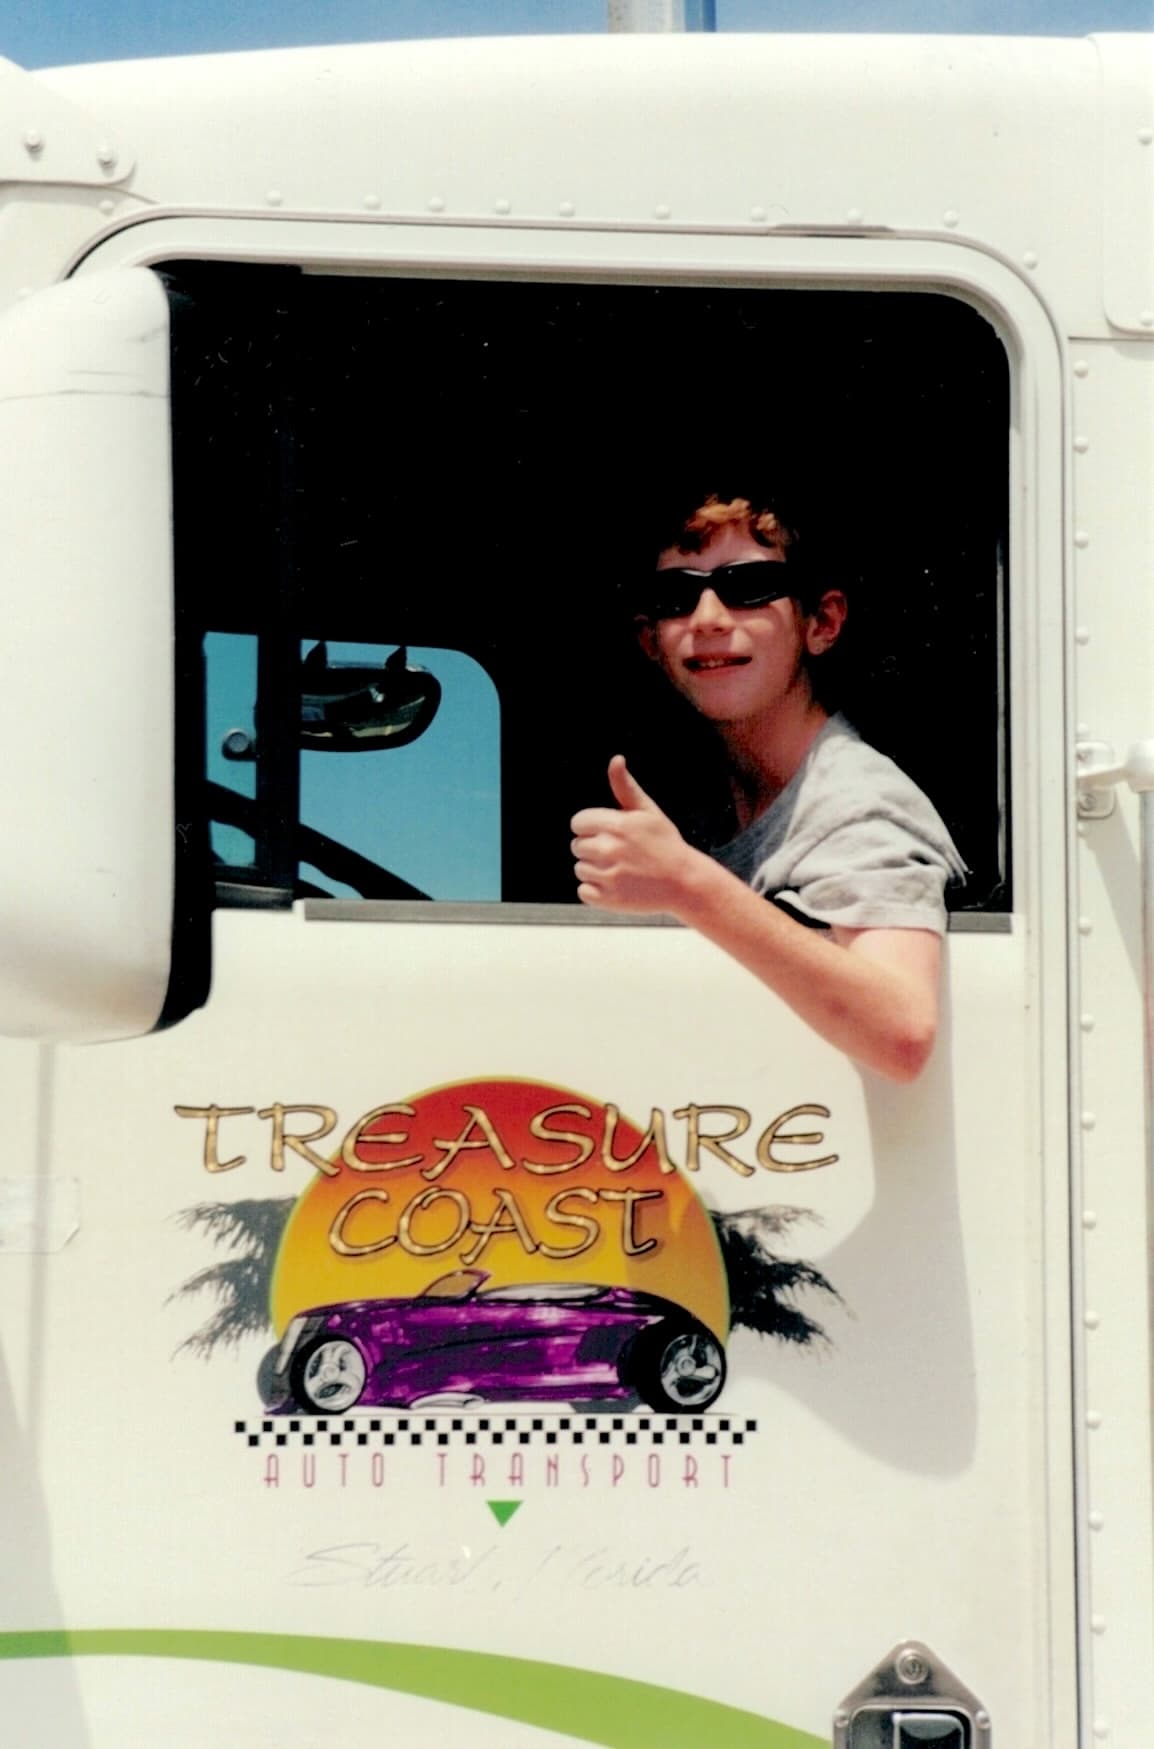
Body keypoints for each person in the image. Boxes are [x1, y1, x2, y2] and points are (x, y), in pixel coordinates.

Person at [570, 494, 964, 1084]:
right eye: (676, 597)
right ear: (652, 641)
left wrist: (684, 882)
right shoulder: (709, 801)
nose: (706, 618)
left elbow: (902, 1031)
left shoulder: (860, 803)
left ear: (822, 623)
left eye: (749, 586)